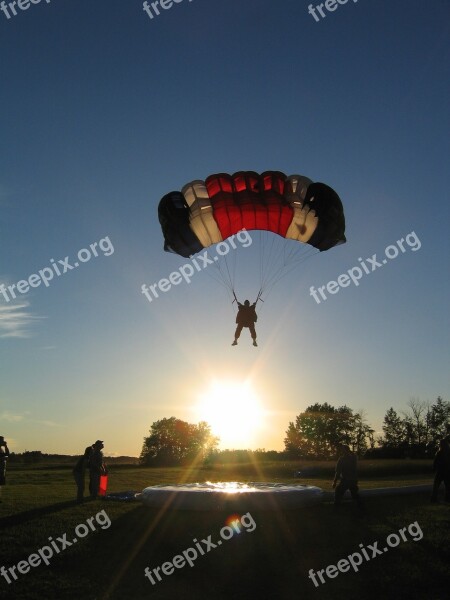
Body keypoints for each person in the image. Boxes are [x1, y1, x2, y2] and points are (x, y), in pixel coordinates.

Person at [332, 444, 364, 510]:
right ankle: (360, 507)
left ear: (344, 450)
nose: (341, 451)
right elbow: (354, 455)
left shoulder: (341, 459)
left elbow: (338, 472)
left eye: (342, 449)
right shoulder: (354, 458)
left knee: (338, 491)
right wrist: (348, 450)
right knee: (355, 494)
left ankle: (336, 507)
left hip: (346, 480)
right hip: (354, 479)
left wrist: (334, 482)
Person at [0, 436, 10, 502]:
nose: (3, 442)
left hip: (1, 468)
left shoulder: (1, 449)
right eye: (2, 440)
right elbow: (4, 455)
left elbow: (7, 454)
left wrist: (5, 446)